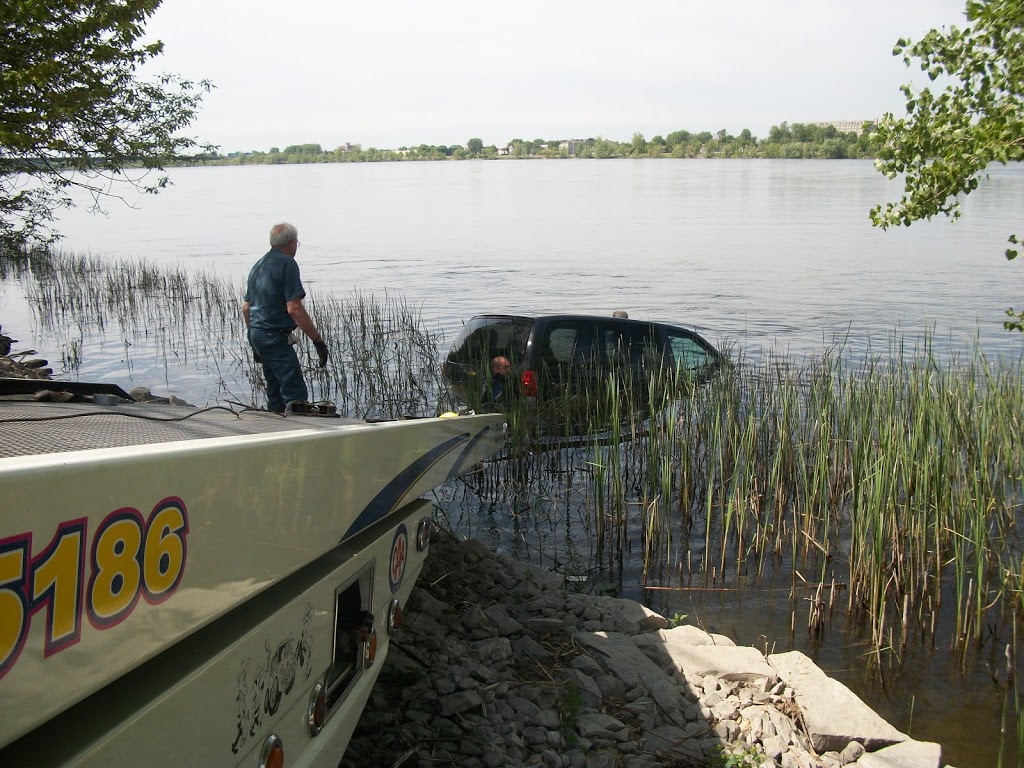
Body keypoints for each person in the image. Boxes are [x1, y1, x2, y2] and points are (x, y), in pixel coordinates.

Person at [242, 222, 329, 413]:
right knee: (294, 393)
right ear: (291, 243)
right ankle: (298, 435)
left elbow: (246, 307)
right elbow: (294, 308)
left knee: (275, 392)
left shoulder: (259, 264)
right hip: (274, 336)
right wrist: (317, 340)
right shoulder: (287, 263)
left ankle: (276, 430)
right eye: (297, 243)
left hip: (257, 334)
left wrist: (253, 337)